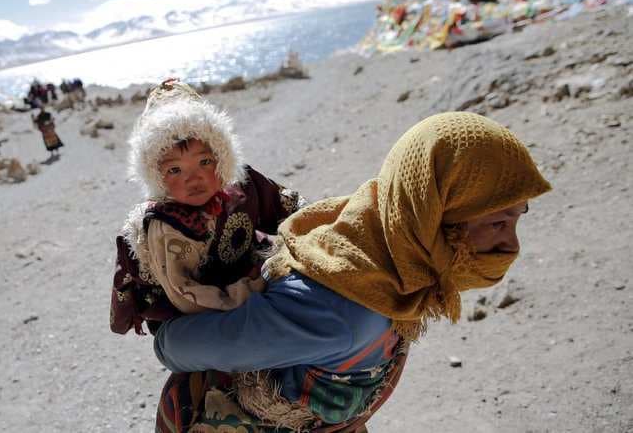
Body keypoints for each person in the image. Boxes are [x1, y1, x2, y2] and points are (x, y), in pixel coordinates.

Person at [151, 111, 552, 432]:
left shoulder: (377, 226)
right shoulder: (358, 297)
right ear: (432, 213)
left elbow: (177, 349)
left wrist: (165, 335)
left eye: (516, 219)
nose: (512, 245)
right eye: (498, 223)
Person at [110, 79, 305, 337]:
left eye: (204, 161)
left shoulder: (241, 185)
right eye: (174, 170)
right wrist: (261, 286)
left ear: (222, 156)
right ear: (155, 176)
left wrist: (321, 227)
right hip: (193, 317)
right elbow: (186, 296)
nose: (194, 178)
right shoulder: (163, 226)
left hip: (253, 285)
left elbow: (290, 207)